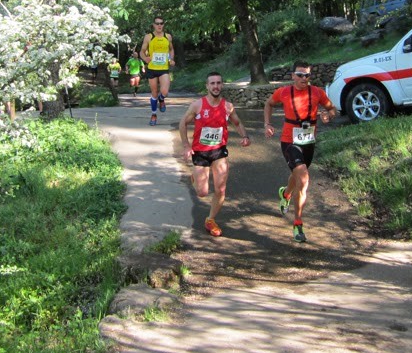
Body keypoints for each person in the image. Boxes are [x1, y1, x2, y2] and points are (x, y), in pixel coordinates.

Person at [264, 61, 337, 243]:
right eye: (300, 75)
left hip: (308, 142)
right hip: (290, 141)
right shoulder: (284, 92)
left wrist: (328, 116)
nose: (304, 78)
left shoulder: (317, 93)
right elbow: (269, 104)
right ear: (293, 76)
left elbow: (332, 108)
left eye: (307, 75)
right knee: (303, 178)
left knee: (297, 177)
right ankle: (298, 224)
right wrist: (267, 123)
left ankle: (286, 194)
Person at [179, 72, 251, 237]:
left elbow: (237, 122)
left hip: (219, 152)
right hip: (200, 153)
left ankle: (210, 219)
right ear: (207, 86)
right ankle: (195, 177)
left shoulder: (228, 106)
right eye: (212, 83)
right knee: (202, 192)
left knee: (220, 189)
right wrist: (185, 146)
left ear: (222, 85)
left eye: (218, 83)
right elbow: (183, 123)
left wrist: (245, 136)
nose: (216, 86)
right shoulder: (197, 105)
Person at [140, 16, 175, 126]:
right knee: (154, 93)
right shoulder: (148, 37)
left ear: (163, 24)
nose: (159, 25)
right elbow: (142, 51)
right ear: (153, 25)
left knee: (164, 92)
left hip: (164, 68)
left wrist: (171, 59)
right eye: (157, 23)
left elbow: (171, 49)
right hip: (152, 69)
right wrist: (145, 58)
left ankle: (162, 99)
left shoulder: (168, 36)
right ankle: (154, 114)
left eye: (161, 23)